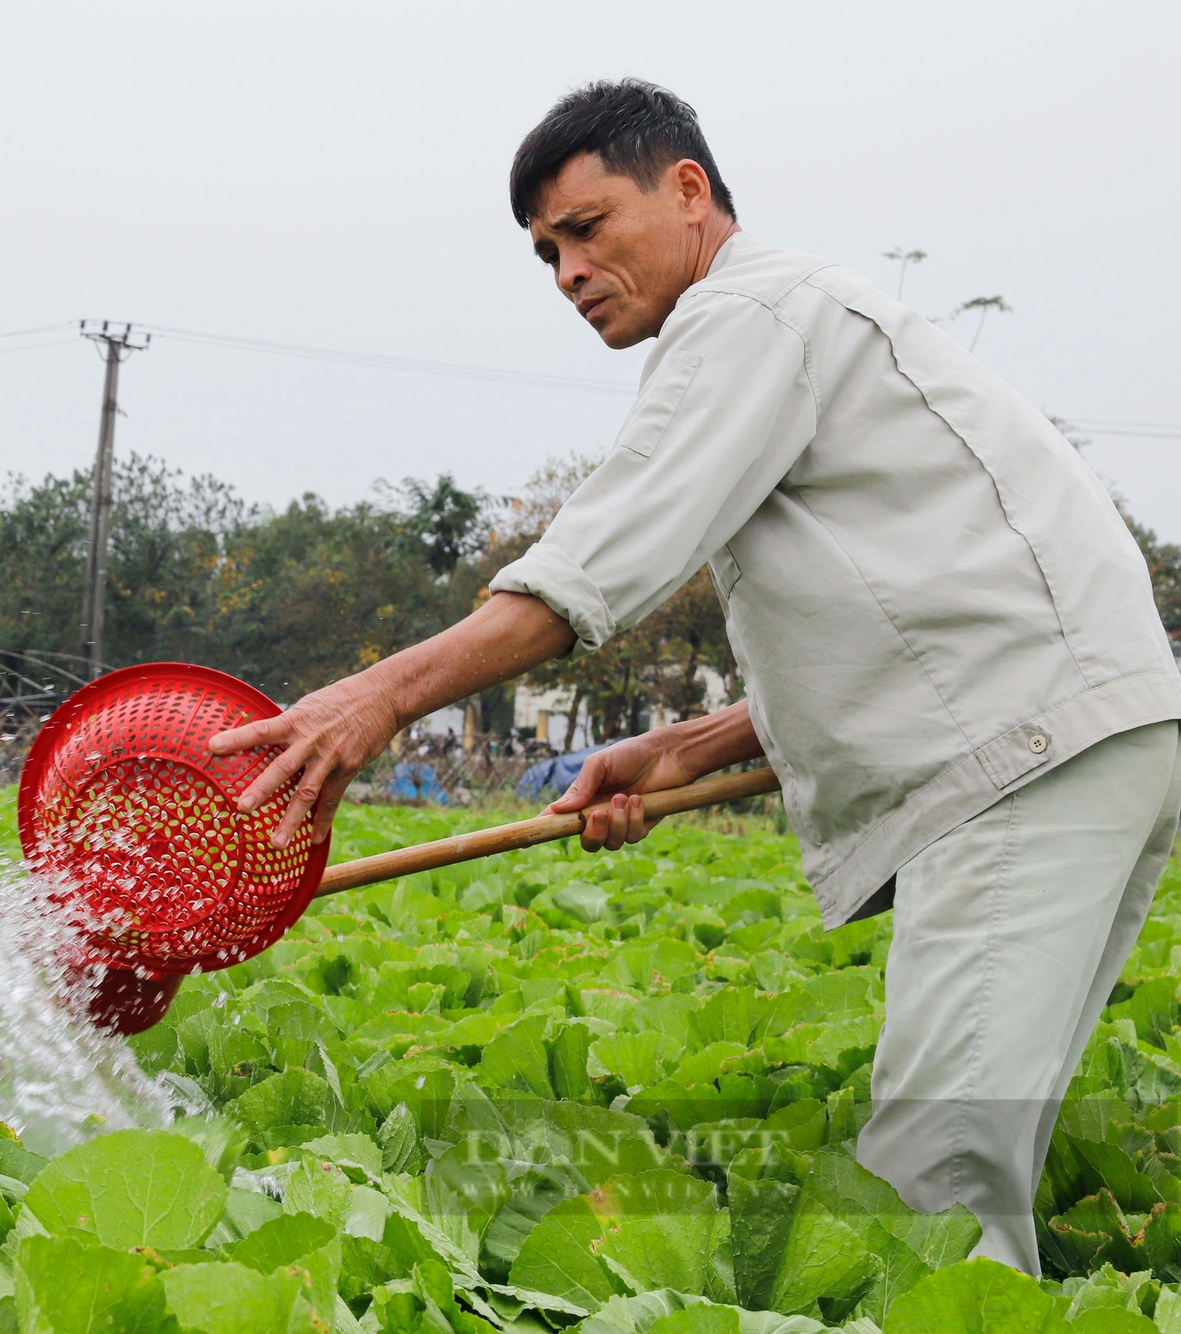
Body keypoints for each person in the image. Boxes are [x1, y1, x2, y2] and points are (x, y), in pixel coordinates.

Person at [210, 79, 1181, 1274]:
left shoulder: (749, 315)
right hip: (1081, 734)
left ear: (685, 190)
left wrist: (376, 694)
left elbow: (591, 563)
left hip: (1030, 756)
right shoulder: (800, 324)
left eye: (585, 226)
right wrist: (687, 747)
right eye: (543, 254)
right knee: (968, 1147)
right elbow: (912, 614)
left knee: (934, 1177)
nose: (566, 271)